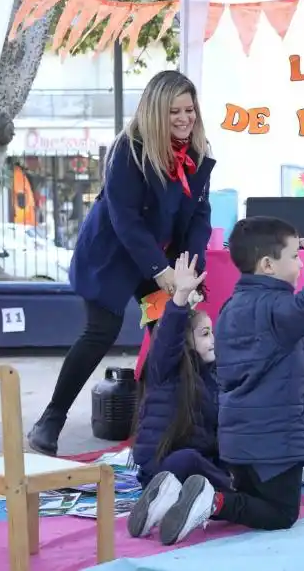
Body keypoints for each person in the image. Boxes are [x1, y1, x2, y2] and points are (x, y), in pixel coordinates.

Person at [28, 71, 215, 457]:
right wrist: (160, 271)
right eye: (174, 111)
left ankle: (168, 425)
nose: (184, 119)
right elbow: (125, 218)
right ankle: (51, 418)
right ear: (155, 112)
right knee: (102, 331)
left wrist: (188, 271)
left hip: (161, 257)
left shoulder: (197, 153)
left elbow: (199, 216)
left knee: (173, 329)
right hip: (115, 256)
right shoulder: (129, 149)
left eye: (189, 110)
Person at [152, 216, 304, 545]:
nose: (301, 265)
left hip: (237, 438)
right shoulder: (276, 307)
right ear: (268, 264)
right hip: (274, 440)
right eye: (295, 257)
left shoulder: (230, 308)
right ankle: (212, 502)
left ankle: (175, 500)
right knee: (280, 513)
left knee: (253, 497)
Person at [127, 253, 228, 539]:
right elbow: (167, 338)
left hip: (195, 461)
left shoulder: (212, 374)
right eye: (206, 333)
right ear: (186, 340)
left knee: (218, 459)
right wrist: (180, 297)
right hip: (161, 468)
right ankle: (228, 491)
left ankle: (171, 505)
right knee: (189, 461)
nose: (213, 340)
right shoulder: (165, 369)